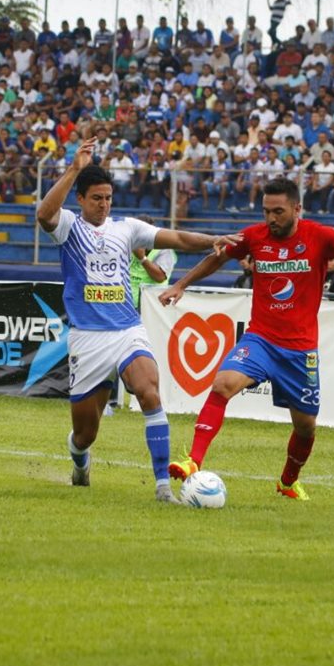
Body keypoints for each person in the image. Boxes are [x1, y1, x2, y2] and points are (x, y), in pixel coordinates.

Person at [159, 177, 334, 501]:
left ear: (297, 209)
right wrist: (181, 284)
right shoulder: (255, 236)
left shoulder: (319, 236)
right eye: (266, 211)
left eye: (278, 211)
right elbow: (218, 256)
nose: (271, 218)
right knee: (223, 384)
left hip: (299, 350)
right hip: (261, 339)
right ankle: (193, 461)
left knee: (305, 426)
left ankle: (287, 481)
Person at [36, 140, 237, 504]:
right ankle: (79, 459)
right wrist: (74, 168)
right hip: (88, 339)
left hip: (127, 329)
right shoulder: (68, 226)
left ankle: (163, 488)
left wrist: (213, 240)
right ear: (80, 199)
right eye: (96, 198)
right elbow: (43, 214)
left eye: (108, 198)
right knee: (85, 434)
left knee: (149, 391)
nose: (104, 204)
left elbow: (177, 237)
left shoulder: (127, 228)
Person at [127, 214, 177, 309]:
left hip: (151, 306)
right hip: (126, 304)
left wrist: (142, 258)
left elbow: (160, 277)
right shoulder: (127, 245)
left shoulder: (164, 249)